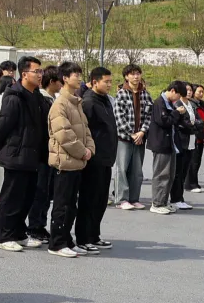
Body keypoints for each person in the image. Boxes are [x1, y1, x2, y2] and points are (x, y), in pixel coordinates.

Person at [0, 56, 49, 252]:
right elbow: (1, 130)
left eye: (41, 71)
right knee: (11, 198)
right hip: (16, 157)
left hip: (33, 157)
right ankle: (4, 236)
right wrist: (8, 150)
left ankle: (18, 233)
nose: (40, 75)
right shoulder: (14, 97)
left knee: (26, 198)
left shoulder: (37, 97)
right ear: (24, 74)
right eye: (37, 71)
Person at [45, 62, 95, 257]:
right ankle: (56, 243)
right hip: (64, 163)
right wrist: (82, 151)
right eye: (75, 75)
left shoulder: (76, 102)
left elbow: (86, 129)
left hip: (76, 162)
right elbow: (64, 134)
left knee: (71, 205)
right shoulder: (60, 105)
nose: (79, 78)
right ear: (65, 78)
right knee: (62, 205)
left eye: (80, 74)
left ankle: (66, 240)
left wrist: (90, 148)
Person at [78, 67, 116, 251]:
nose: (109, 85)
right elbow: (84, 132)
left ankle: (94, 235)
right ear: (94, 82)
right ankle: (83, 238)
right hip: (94, 159)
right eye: (106, 82)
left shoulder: (106, 100)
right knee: (89, 199)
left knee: (101, 200)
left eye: (110, 82)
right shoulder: (88, 102)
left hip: (106, 158)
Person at [27, 66, 61, 243]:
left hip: (50, 153)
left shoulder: (53, 98)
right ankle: (34, 227)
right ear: (52, 82)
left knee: (47, 193)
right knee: (39, 192)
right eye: (60, 81)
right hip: (42, 153)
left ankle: (40, 225)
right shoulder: (42, 99)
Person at [113, 64, 153, 210]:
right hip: (124, 138)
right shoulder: (121, 94)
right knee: (122, 169)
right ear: (126, 77)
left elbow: (149, 115)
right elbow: (118, 116)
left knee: (137, 171)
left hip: (140, 138)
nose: (136, 76)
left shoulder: (145, 94)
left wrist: (142, 132)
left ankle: (134, 198)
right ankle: (121, 199)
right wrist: (132, 133)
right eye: (132, 74)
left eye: (138, 73)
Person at [147, 81, 187, 215]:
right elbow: (164, 121)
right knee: (161, 174)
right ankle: (157, 203)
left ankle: (163, 201)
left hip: (170, 143)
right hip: (161, 144)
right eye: (178, 96)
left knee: (170, 175)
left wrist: (178, 114)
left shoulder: (169, 103)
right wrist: (176, 113)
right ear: (173, 91)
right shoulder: (159, 102)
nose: (178, 99)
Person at [170, 84, 202, 211]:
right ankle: (175, 199)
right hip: (181, 141)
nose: (188, 92)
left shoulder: (192, 105)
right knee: (178, 172)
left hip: (191, 141)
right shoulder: (177, 104)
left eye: (190, 90)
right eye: (186, 90)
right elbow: (183, 123)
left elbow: (200, 122)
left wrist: (194, 124)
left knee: (184, 172)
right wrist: (193, 124)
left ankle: (180, 198)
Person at [187, 84, 204, 193]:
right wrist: (203, 136)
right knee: (193, 162)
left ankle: (195, 182)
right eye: (199, 91)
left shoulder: (200, 104)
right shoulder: (192, 105)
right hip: (196, 137)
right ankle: (190, 184)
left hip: (201, 138)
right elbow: (196, 124)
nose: (201, 94)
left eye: (202, 92)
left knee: (197, 161)